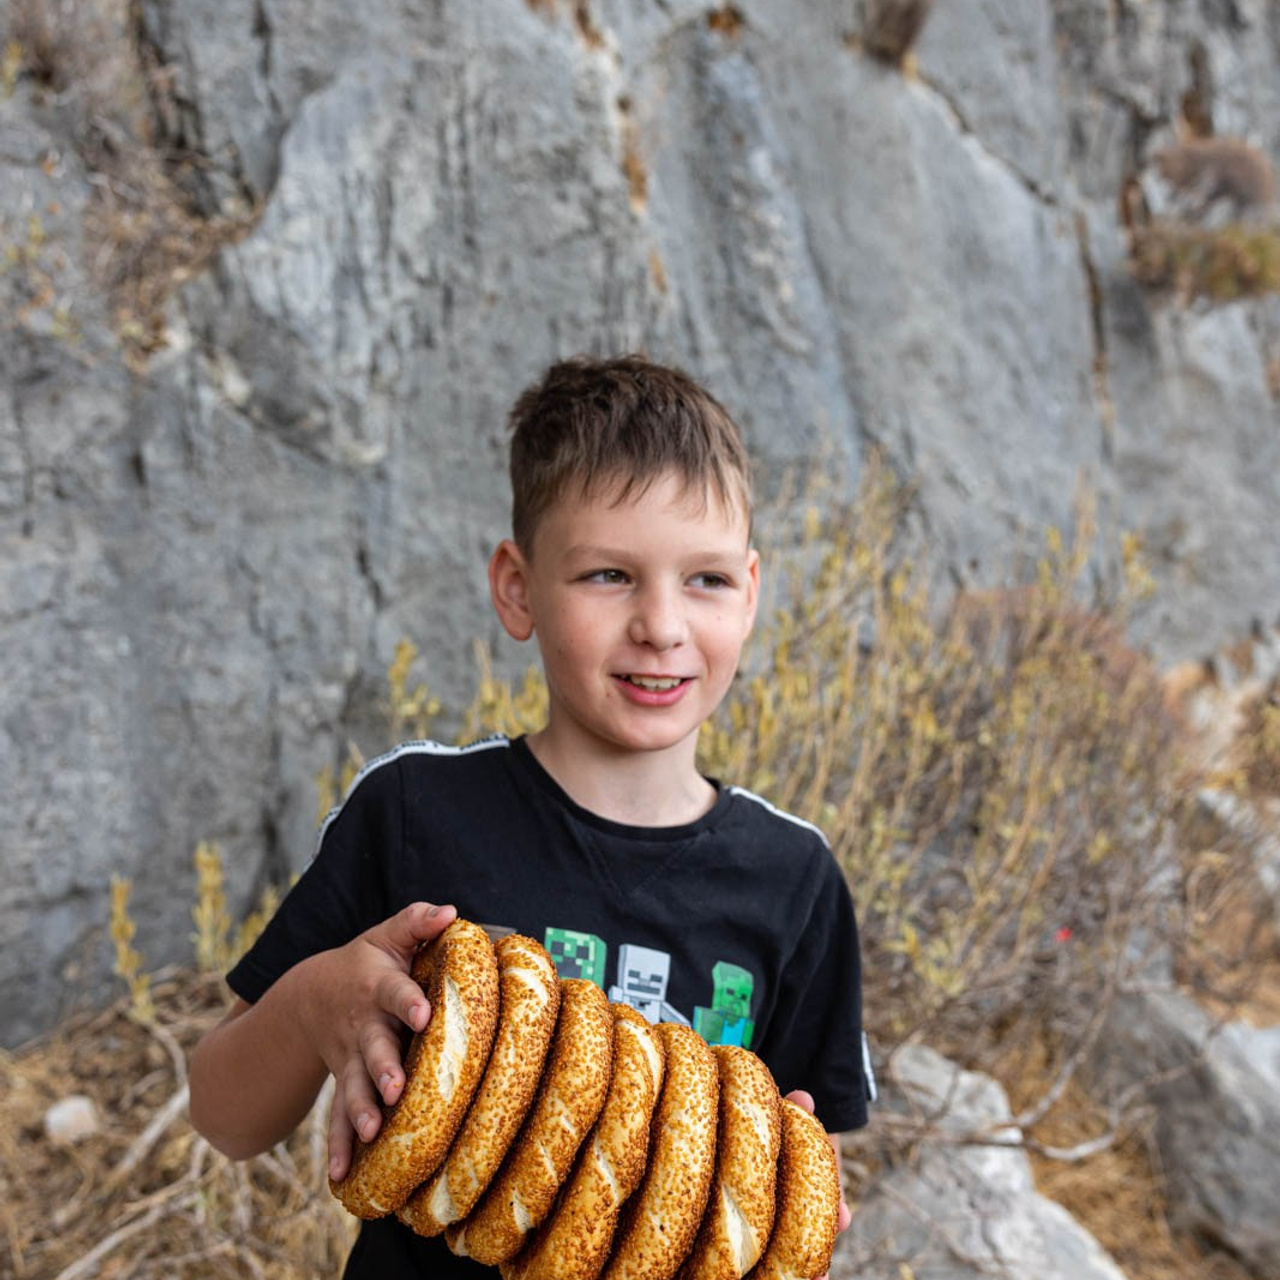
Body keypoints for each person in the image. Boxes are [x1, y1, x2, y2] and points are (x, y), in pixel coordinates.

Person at [189, 354, 874, 1278]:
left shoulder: (796, 882)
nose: (662, 625)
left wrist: (802, 1207)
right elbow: (224, 1117)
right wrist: (317, 1003)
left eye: (705, 580)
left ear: (751, 592)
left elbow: (796, 1186)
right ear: (517, 588)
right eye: (608, 575)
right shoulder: (415, 811)